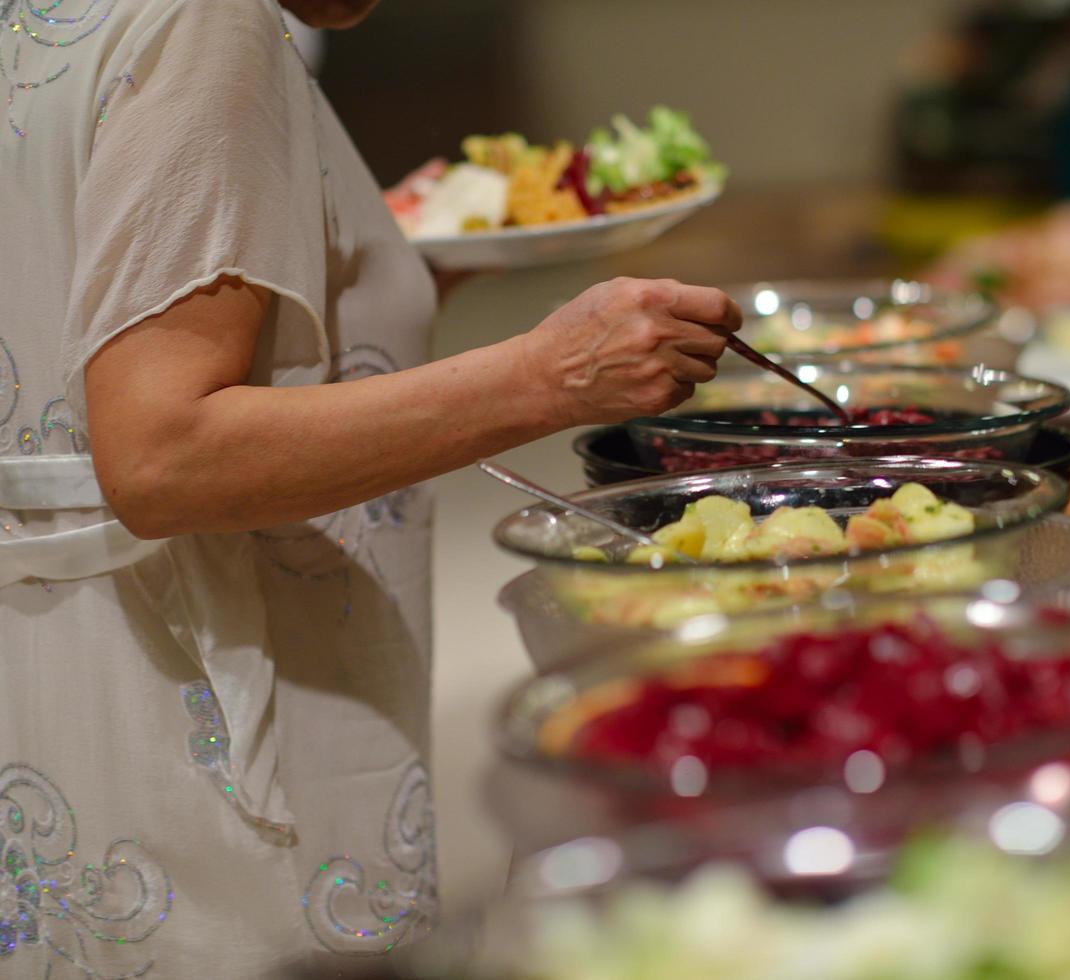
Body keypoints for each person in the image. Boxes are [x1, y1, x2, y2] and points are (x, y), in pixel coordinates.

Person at [0, 0, 739, 976]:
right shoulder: (205, 16)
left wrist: (376, 266)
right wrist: (549, 372)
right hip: (185, 702)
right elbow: (164, 453)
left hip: (59, 670)